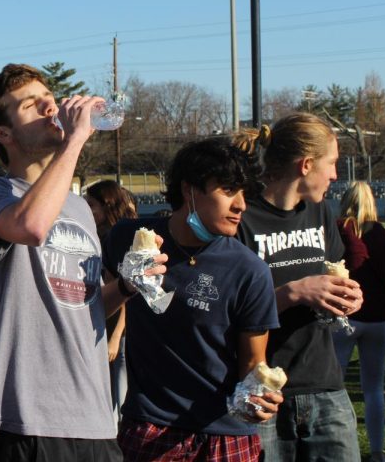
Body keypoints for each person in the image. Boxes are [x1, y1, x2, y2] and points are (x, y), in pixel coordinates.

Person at [0, 63, 166, 461]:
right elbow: (31, 227)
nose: (49, 107)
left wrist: (126, 285)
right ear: (2, 134)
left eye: (49, 99)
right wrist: (75, 141)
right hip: (27, 421)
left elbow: (83, 306)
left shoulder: (78, 207)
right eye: (31, 105)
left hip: (94, 418)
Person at [103, 138, 282, 461]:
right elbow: (89, 309)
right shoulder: (128, 239)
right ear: (189, 191)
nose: (241, 205)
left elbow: (254, 362)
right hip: (149, 428)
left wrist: (259, 398)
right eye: (228, 190)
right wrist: (127, 285)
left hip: (224, 436)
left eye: (244, 193)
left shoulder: (249, 270)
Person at [234, 113, 364, 461]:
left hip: (326, 387)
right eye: (332, 163)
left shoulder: (321, 212)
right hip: (262, 394)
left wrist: (349, 296)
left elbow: (336, 278)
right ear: (306, 165)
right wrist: (292, 293)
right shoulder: (241, 217)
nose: (336, 175)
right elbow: (226, 313)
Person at [333, 181, 385, 462]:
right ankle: (377, 452)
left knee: (335, 388)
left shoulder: (338, 229)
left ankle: (341, 447)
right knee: (374, 389)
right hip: (378, 320)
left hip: (343, 318)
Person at [84, 180, 136, 424]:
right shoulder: (96, 236)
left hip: (122, 331)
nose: (87, 209)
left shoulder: (121, 238)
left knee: (120, 395)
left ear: (107, 205)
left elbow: (127, 293)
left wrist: (116, 338)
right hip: (102, 324)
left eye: (91, 204)